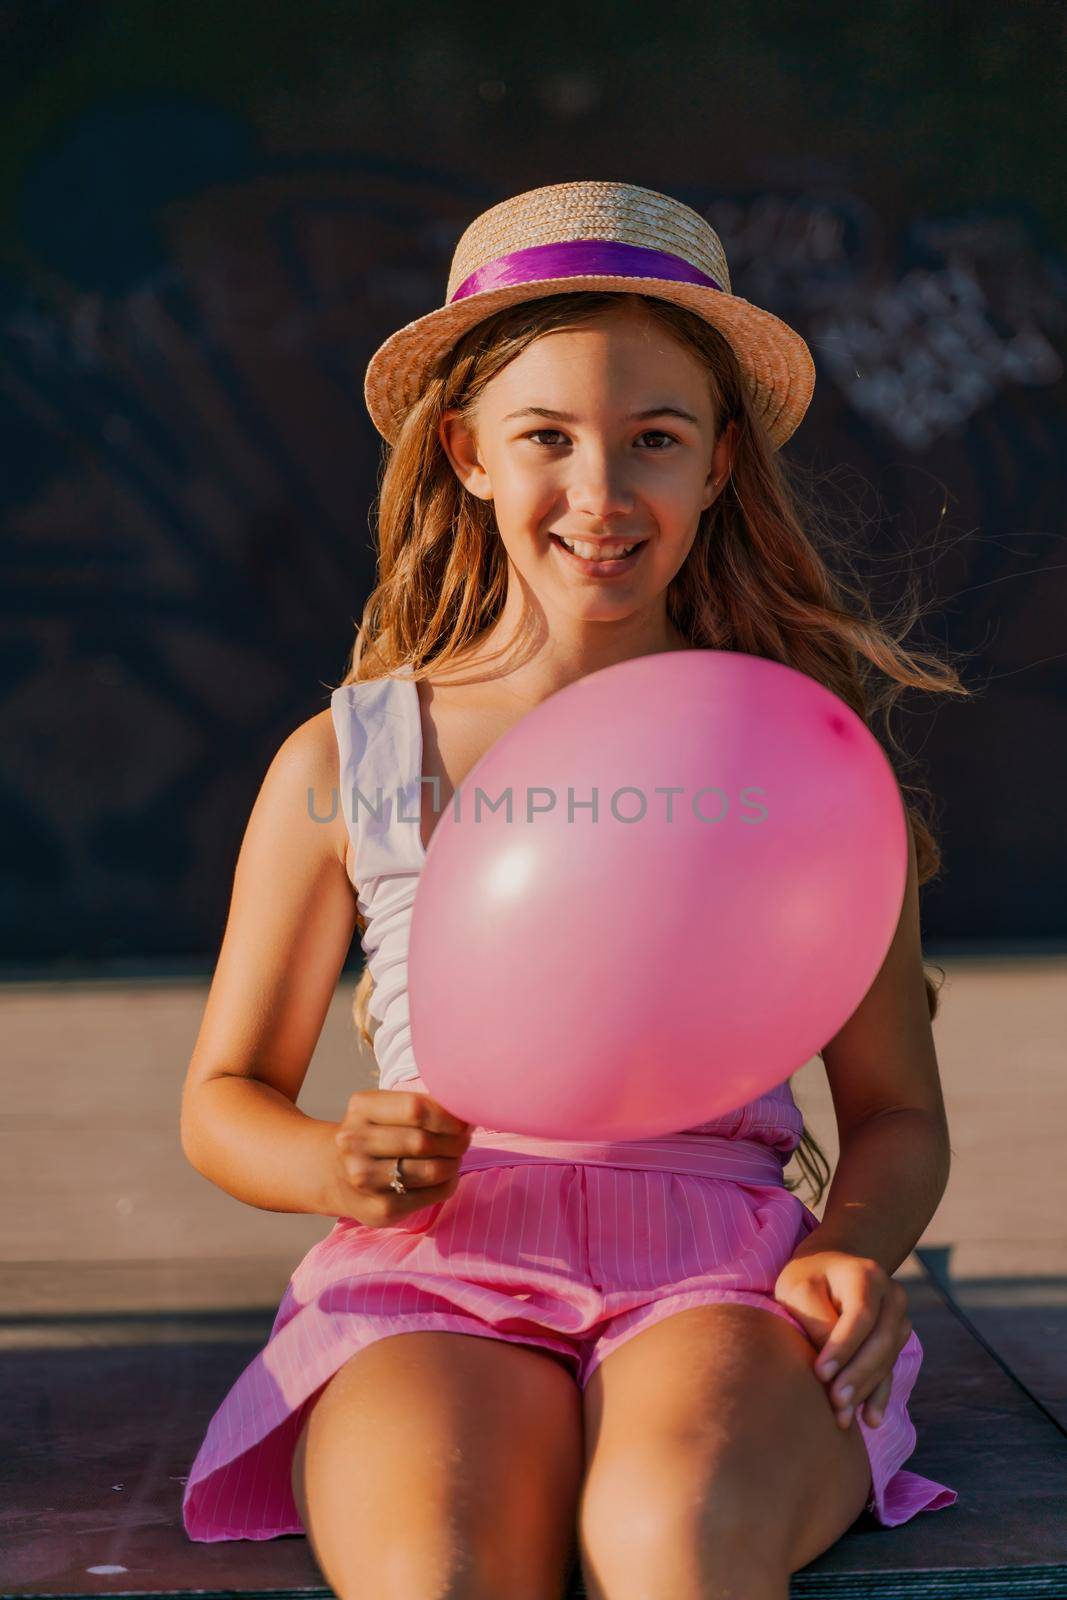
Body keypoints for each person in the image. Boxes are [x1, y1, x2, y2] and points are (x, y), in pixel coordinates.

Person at [180, 179, 961, 1596]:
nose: (600, 495)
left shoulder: (803, 761)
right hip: (430, 1277)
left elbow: (898, 1110)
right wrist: (325, 1161)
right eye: (546, 437)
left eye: (653, 440)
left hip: (720, 1274)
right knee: (445, 1570)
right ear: (466, 452)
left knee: (670, 1540)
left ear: (719, 466)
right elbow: (223, 1096)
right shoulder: (351, 757)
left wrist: (853, 1249)